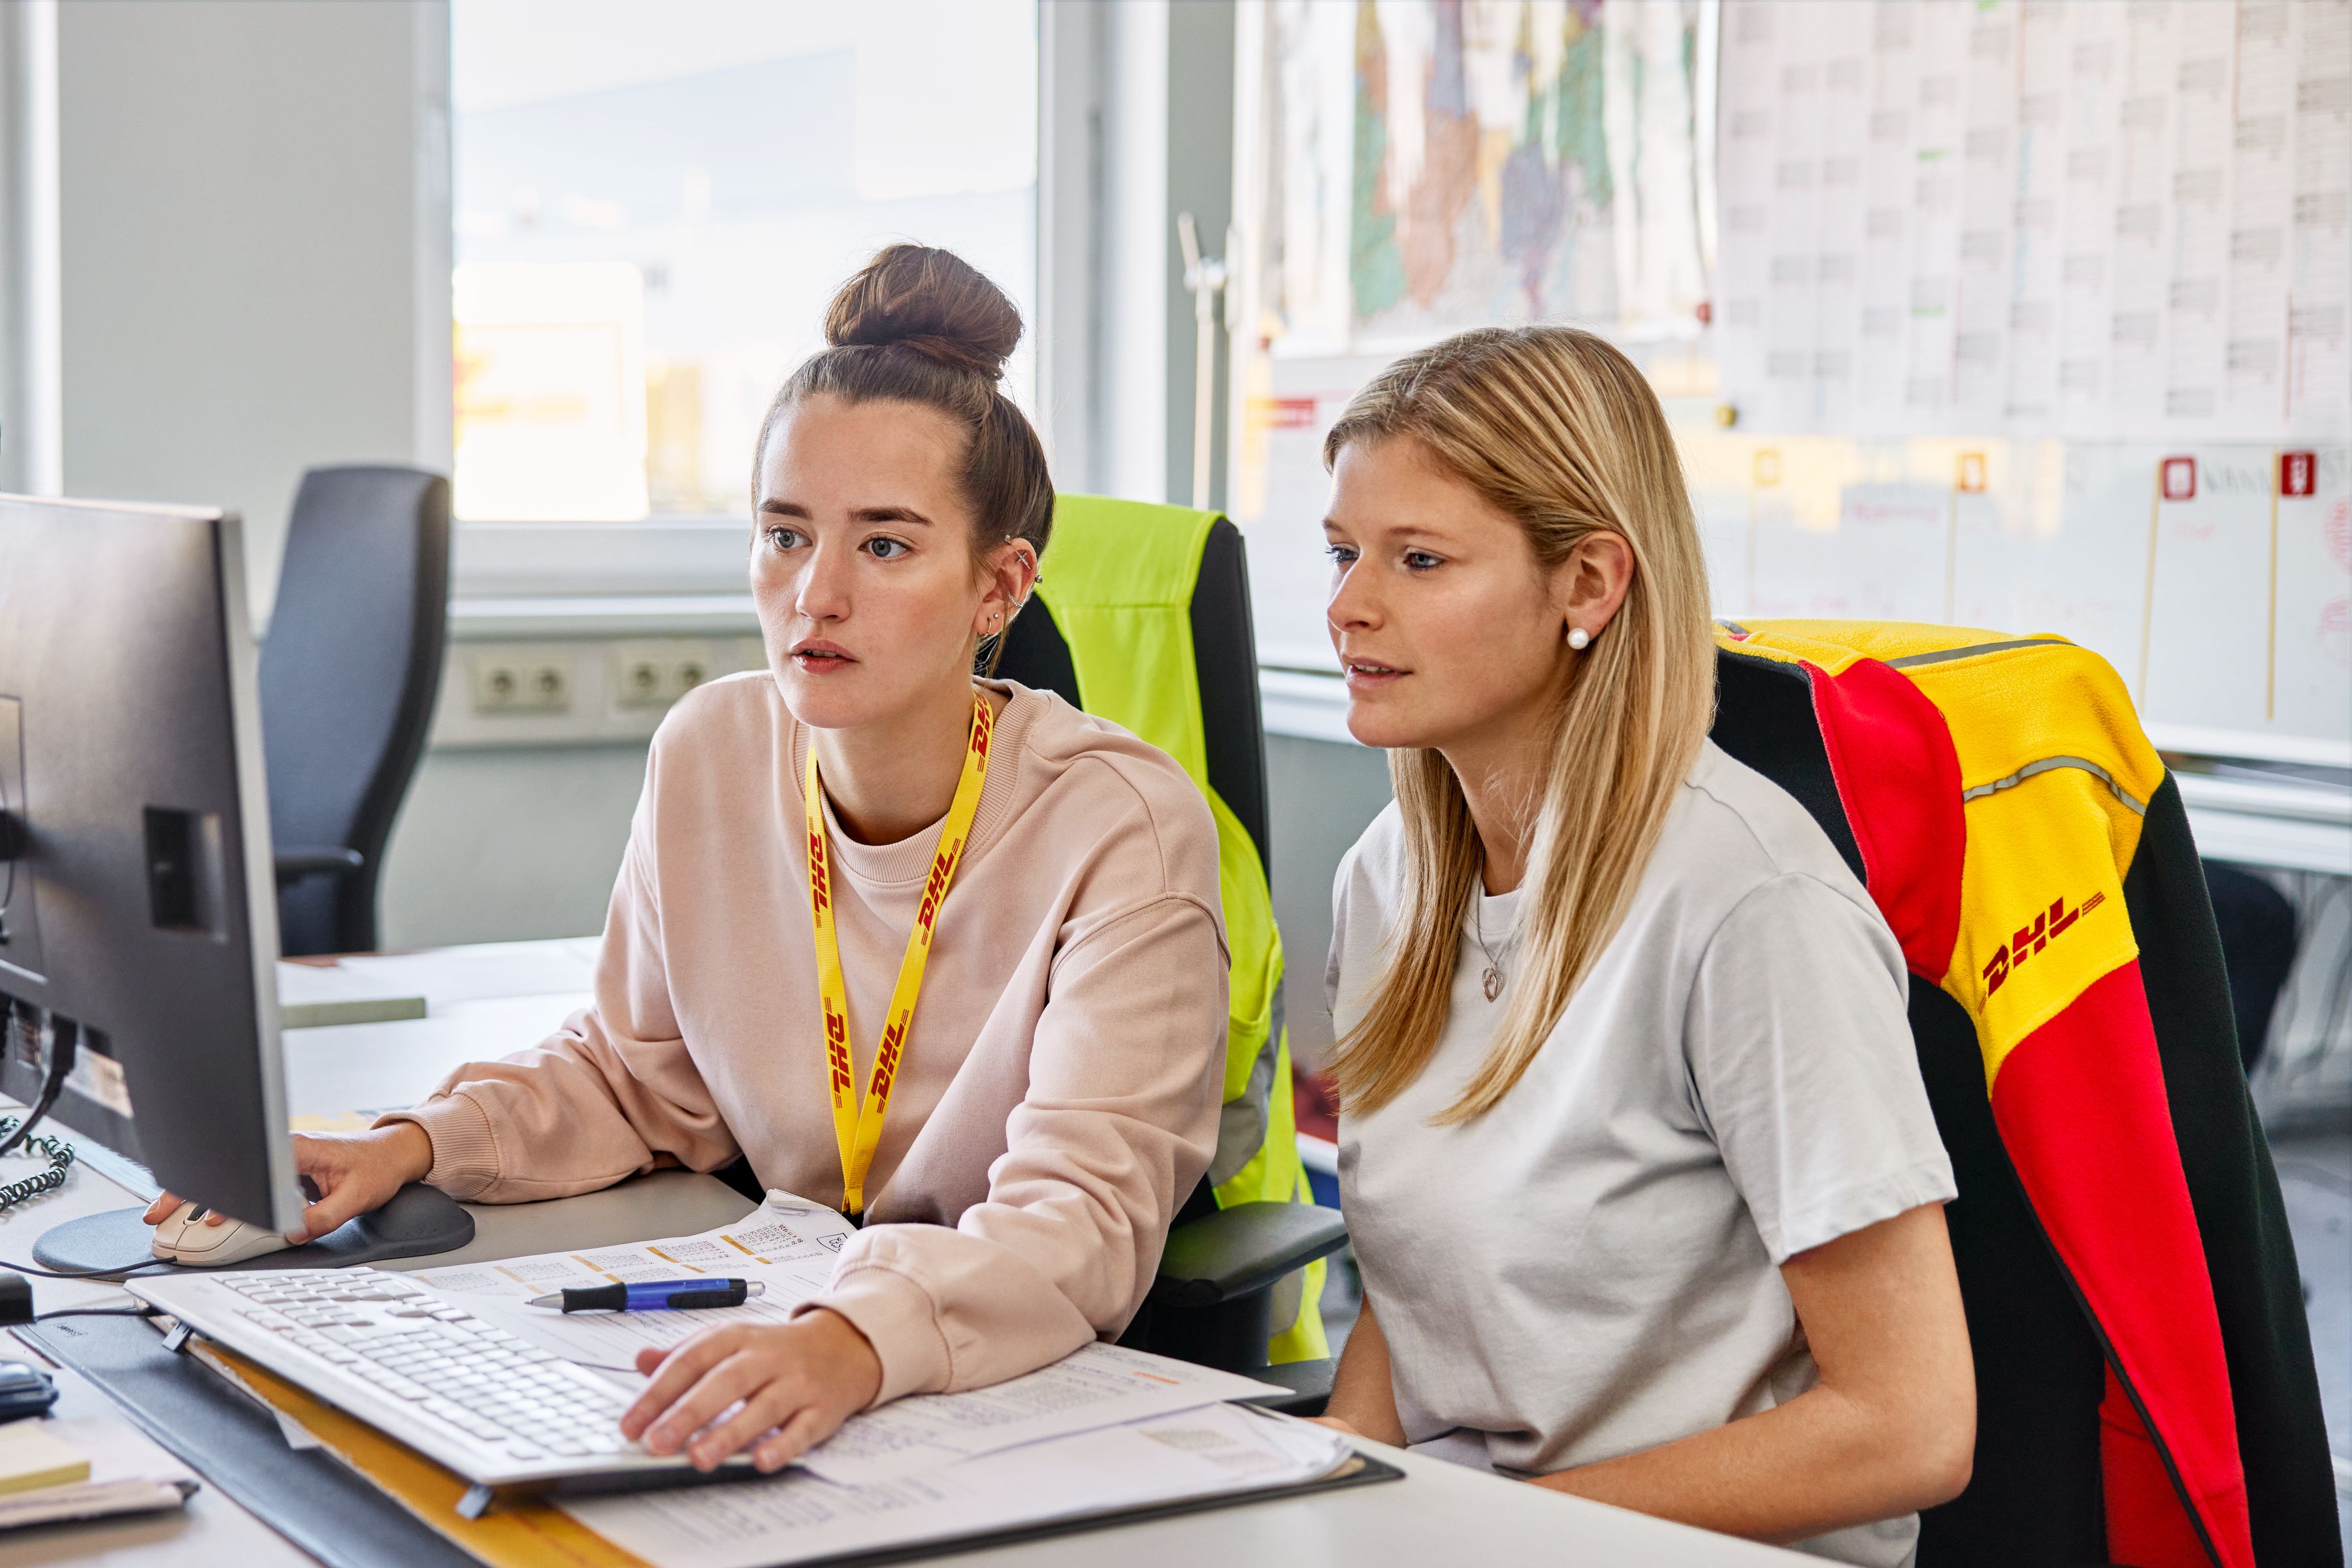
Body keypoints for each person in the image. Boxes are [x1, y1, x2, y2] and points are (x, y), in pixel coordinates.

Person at [147, 244, 1232, 1473]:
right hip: (777, 1313)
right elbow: (636, 1075)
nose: (814, 595)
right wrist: (413, 1144)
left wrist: (851, 1340)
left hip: (996, 1379)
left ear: (999, 587)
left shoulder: (1120, 828)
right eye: (784, 534)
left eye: (884, 546)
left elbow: (1079, 1219)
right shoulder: (713, 747)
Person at [1311, 326, 1974, 1564]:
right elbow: (1417, 1299)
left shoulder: (1748, 902)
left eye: (1419, 559)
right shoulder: (1387, 880)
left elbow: (1912, 1424)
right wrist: (1336, 1501)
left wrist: (1481, 1533)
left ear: (1590, 584)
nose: (1349, 605)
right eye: (1345, 552)